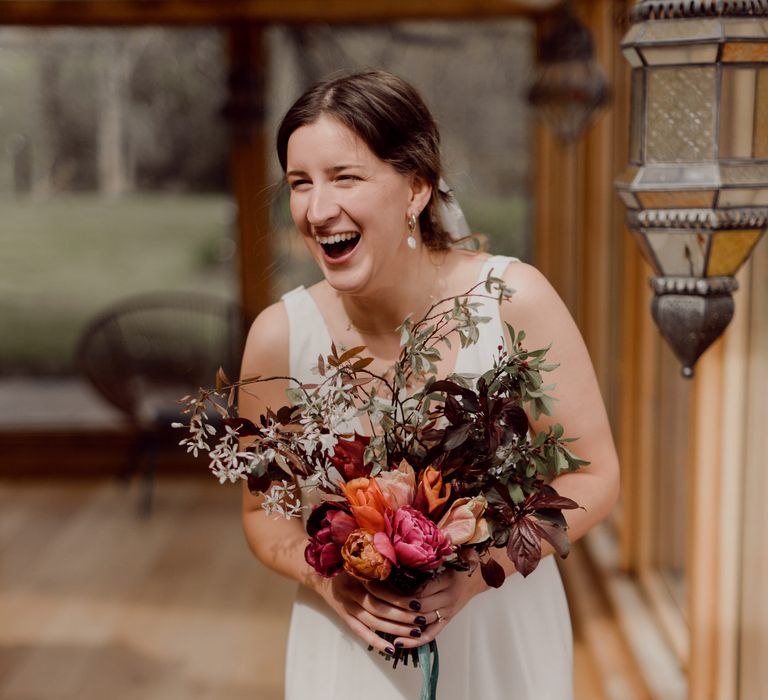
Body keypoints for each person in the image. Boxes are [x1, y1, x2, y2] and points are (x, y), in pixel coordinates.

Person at [240, 70, 619, 699]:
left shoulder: (512, 301)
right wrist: (328, 583)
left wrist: (477, 574)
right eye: (300, 183)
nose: (315, 208)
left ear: (415, 188)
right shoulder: (279, 338)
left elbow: (594, 476)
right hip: (349, 644)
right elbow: (262, 514)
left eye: (345, 177)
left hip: (501, 631)